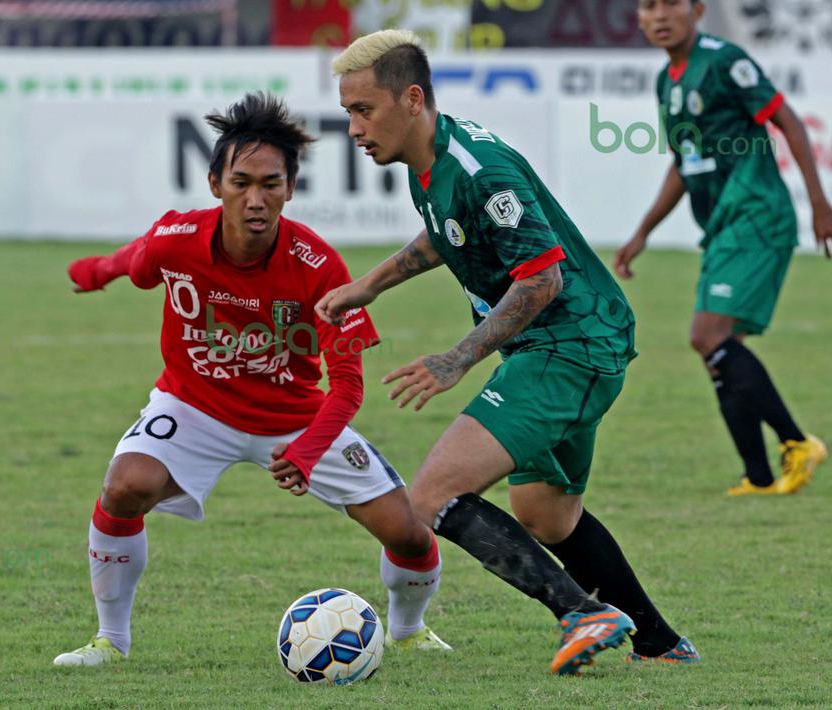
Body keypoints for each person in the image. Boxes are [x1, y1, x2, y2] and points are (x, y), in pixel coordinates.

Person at [319, 30, 697, 673]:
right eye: (347, 112)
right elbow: (445, 236)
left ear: (411, 99)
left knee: (431, 495)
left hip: (570, 344)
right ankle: (661, 644)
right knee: (547, 514)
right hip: (557, 345)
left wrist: (456, 358)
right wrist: (371, 285)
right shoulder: (430, 162)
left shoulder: (477, 167)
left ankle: (582, 612)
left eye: (363, 110)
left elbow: (542, 278)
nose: (354, 127)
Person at [52, 92, 450, 668]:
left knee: (409, 533)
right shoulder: (177, 237)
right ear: (216, 183)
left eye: (271, 184)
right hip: (194, 406)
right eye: (241, 182)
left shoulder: (321, 268)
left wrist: (310, 452)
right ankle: (110, 641)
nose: (256, 199)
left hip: (295, 422)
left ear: (291, 188)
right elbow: (135, 259)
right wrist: (93, 273)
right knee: (123, 486)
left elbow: (347, 388)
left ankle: (408, 629)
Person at [616, 0, 832, 496]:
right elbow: (685, 162)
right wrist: (643, 232)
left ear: (697, 10)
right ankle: (760, 477)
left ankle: (797, 442)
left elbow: (788, 121)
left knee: (707, 335)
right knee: (718, 350)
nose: (658, 15)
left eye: (670, 4)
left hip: (757, 214)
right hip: (723, 225)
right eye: (647, 6)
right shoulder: (668, 81)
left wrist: (819, 202)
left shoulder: (724, 60)